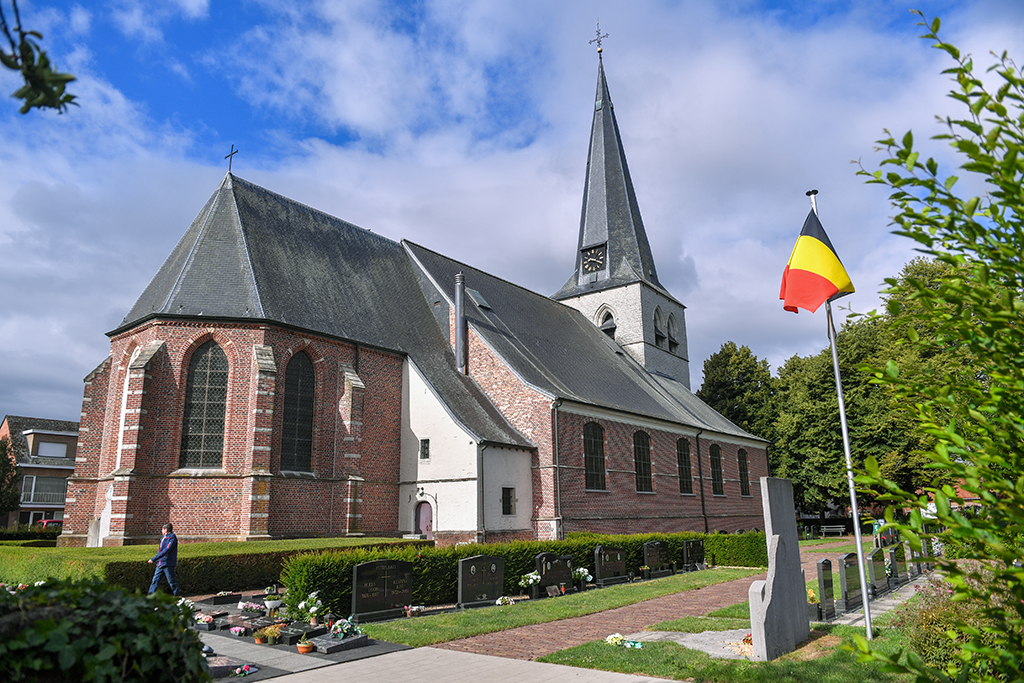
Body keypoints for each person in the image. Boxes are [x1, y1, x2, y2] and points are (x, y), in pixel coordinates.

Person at [148, 522, 180, 596]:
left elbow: (166, 550)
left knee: (172, 582)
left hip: (168, 563)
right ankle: (149, 597)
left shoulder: (172, 537)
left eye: (162, 529)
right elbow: (160, 550)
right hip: (160, 563)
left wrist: (154, 559)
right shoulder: (163, 538)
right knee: (155, 581)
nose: (161, 531)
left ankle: (178, 597)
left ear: (166, 529)